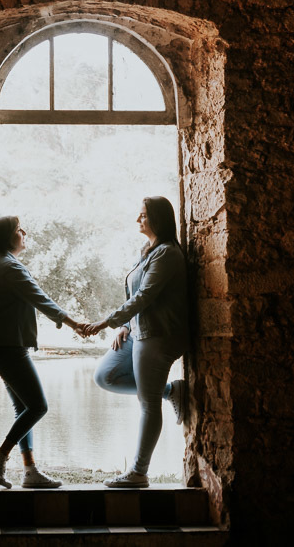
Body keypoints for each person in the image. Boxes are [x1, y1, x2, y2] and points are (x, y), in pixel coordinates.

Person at [83, 196, 188, 488]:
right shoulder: (148, 250)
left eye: (143, 215)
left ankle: (139, 473)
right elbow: (136, 297)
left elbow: (146, 296)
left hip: (158, 335)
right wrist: (125, 325)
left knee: (147, 402)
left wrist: (107, 321)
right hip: (138, 331)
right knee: (105, 375)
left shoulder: (167, 253)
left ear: (158, 219)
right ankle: (172, 391)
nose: (137, 220)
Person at [0, 216, 86, 489]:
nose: (24, 232)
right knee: (38, 406)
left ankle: (30, 472)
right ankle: (0, 456)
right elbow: (40, 298)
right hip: (9, 348)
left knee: (22, 408)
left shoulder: (1, 264)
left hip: (3, 347)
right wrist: (74, 323)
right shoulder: (9, 267)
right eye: (19, 230)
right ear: (8, 238)